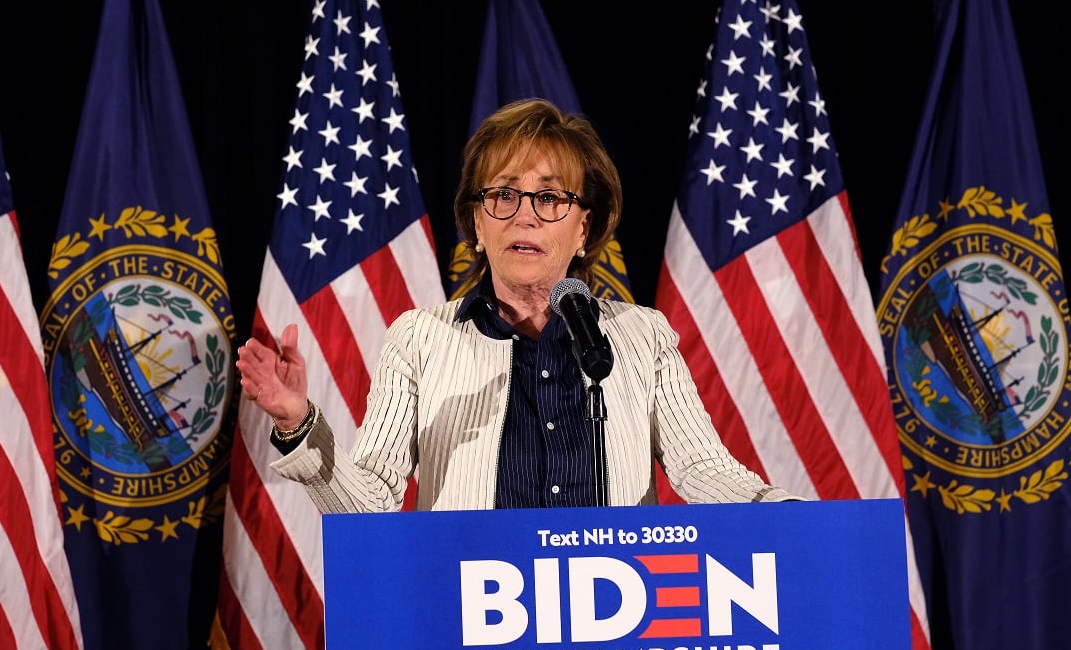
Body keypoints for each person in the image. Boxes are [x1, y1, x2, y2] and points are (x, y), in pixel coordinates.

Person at [235, 97, 802, 511]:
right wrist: (297, 422)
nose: (524, 213)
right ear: (478, 223)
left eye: (550, 196)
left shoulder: (641, 337)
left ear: (584, 229)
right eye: (503, 194)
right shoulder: (420, 340)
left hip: (618, 637)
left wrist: (787, 516)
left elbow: (702, 470)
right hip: (477, 643)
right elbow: (370, 505)